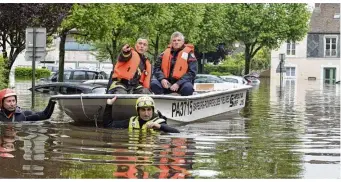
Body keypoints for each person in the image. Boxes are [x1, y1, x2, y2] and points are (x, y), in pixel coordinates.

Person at [151, 31, 197, 96]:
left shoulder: (189, 54)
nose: (176, 42)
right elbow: (156, 68)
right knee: (153, 83)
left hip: (182, 84)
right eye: (174, 40)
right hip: (166, 83)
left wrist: (178, 83)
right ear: (171, 42)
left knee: (188, 88)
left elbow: (192, 72)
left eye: (179, 40)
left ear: (183, 42)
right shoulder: (164, 54)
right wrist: (162, 79)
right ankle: (162, 100)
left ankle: (182, 102)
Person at [103, 96, 179, 133]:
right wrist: (109, 105)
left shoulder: (159, 122)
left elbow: (176, 132)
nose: (146, 114)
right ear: (138, 111)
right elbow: (108, 125)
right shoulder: (132, 121)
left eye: (149, 110)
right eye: (143, 110)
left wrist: (159, 126)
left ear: (153, 110)